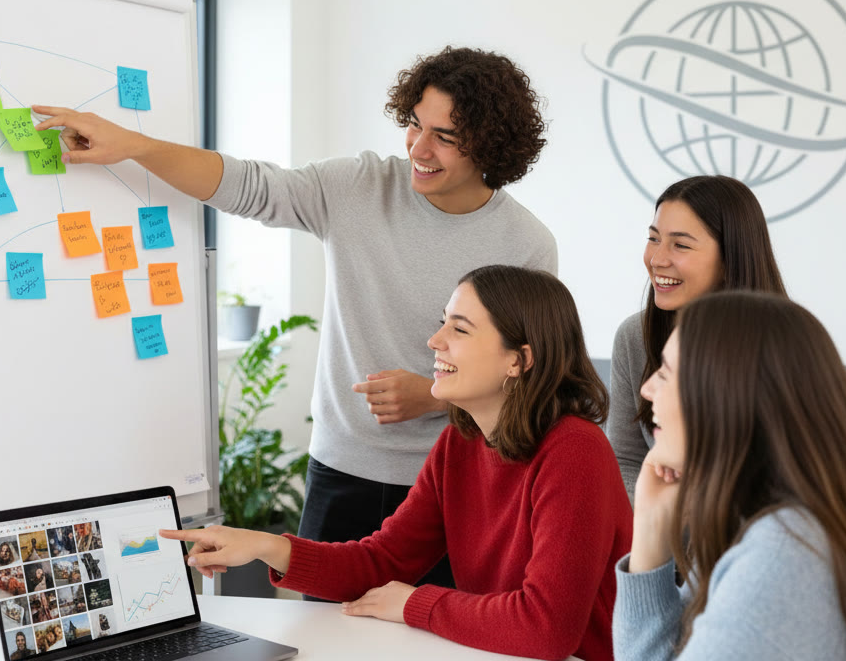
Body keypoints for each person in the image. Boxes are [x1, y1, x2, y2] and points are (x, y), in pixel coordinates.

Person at [35, 48, 555, 592]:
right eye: (413, 125)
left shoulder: (526, 244)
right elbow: (250, 185)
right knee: (321, 635)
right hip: (342, 469)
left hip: (460, 482)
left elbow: (530, 378)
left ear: (490, 145)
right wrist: (135, 146)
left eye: (445, 137)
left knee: (439, 638)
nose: (418, 150)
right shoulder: (358, 187)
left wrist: (435, 395)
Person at [160, 266, 630, 660]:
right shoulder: (459, 443)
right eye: (443, 322)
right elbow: (381, 560)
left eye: (459, 329)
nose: (434, 340)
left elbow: (547, 627)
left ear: (519, 359)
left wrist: (414, 604)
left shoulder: (575, 451)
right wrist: (265, 546)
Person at [614, 292, 846, 661]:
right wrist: (651, 526)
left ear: (724, 399)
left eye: (665, 373)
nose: (646, 389)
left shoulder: (782, 559)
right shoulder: (768, 520)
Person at [604, 175, 786, 500]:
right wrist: (660, 527)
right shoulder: (635, 337)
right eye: (653, 238)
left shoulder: (783, 348)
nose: (658, 259)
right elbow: (626, 460)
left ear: (730, 260)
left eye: (681, 245)